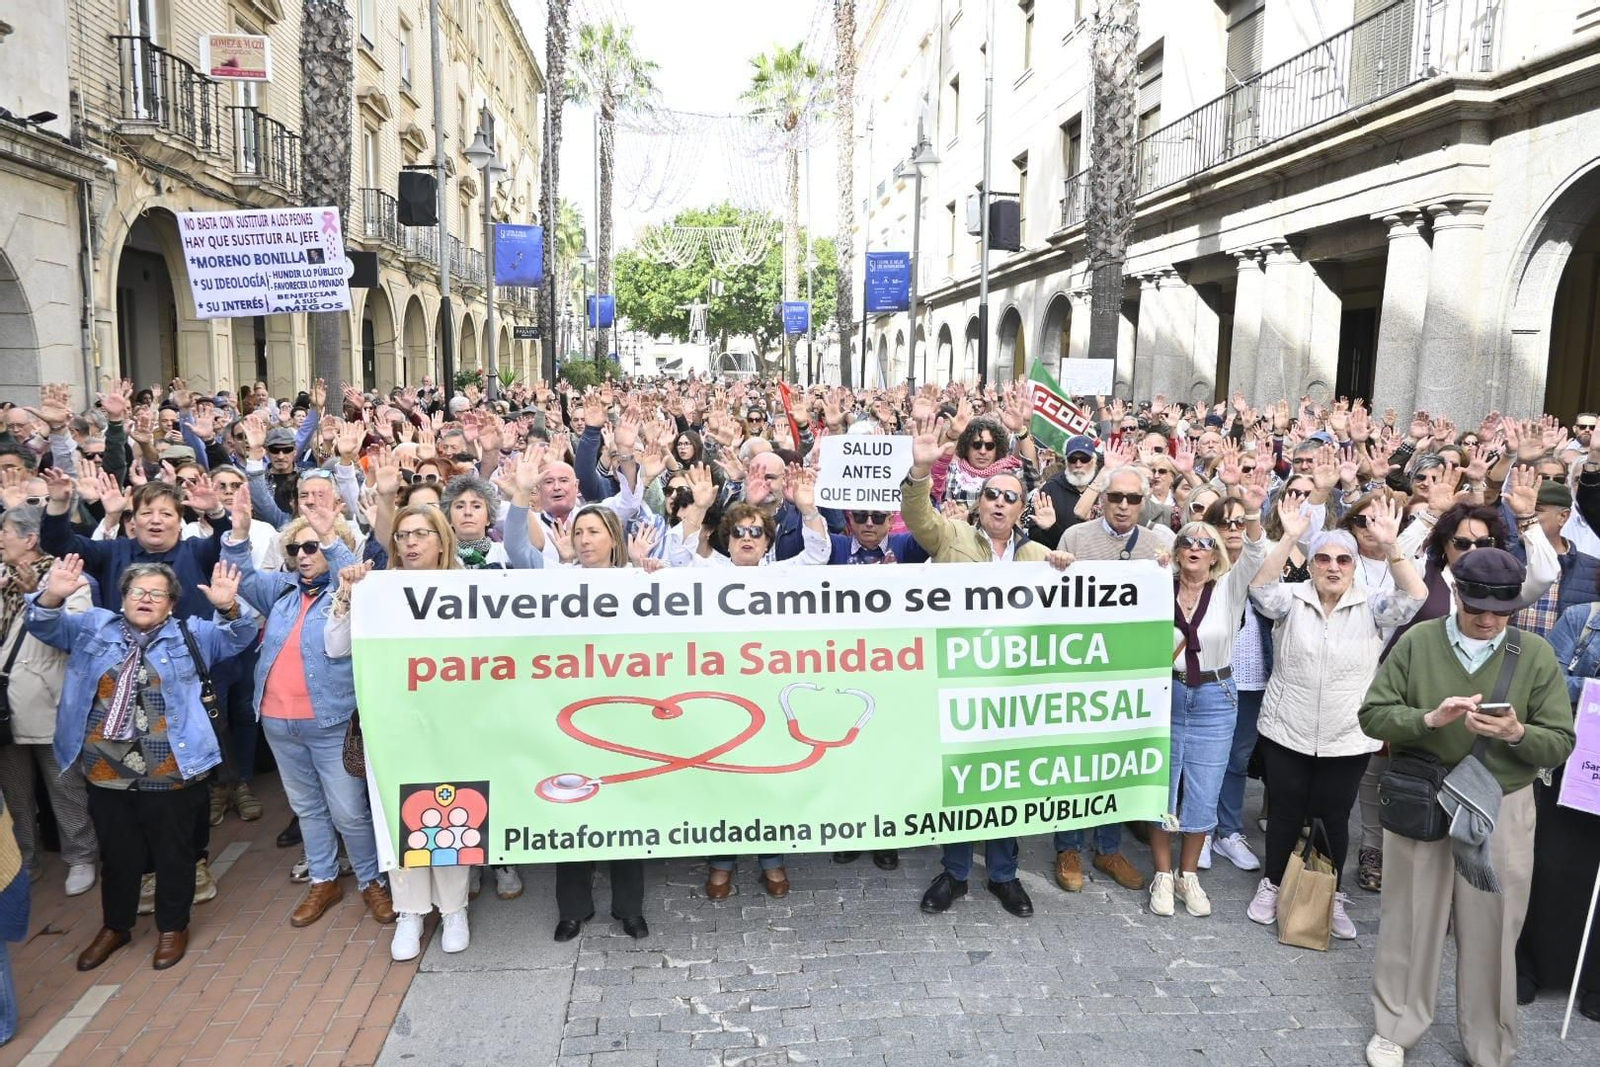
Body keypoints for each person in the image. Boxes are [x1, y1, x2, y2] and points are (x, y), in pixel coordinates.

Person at [1358, 548, 1576, 1067]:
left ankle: (1489, 1043)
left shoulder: (1536, 654)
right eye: (1476, 606)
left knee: (1494, 927)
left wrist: (1518, 732)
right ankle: (1396, 1025)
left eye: (1500, 611)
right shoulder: (1419, 640)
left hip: (1501, 803)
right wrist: (1428, 721)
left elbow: (1560, 741)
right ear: (1456, 592)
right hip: (1425, 798)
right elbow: (1372, 715)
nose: (1486, 620)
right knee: (1409, 916)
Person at [26, 556, 257, 972]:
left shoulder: (192, 633)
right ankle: (116, 925)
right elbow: (43, 625)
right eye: (138, 592)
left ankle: (173, 926)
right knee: (117, 854)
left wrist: (228, 607)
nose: (145, 599)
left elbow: (240, 636)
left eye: (157, 594)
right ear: (123, 597)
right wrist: (52, 595)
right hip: (104, 769)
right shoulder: (93, 626)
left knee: (175, 852)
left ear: (171, 603)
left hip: (173, 766)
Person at [902, 414, 1074, 918]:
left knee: (1005, 783)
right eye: (991, 495)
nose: (999, 502)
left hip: (1012, 690)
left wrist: (1066, 563)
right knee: (960, 781)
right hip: (957, 679)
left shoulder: (1037, 553)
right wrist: (919, 470)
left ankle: (1004, 874)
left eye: (1009, 497)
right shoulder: (952, 537)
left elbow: (1093, 594)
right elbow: (917, 518)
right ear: (979, 503)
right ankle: (955, 873)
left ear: (1022, 508)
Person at [1245, 497, 1425, 940]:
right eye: (1323, 558)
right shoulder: (1292, 599)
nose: (1332, 567)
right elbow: (1260, 588)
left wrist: (1392, 546)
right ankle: (1272, 884)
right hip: (1287, 726)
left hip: (1348, 733)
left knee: (1333, 814)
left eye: (1343, 559)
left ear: (1354, 565)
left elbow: (1415, 596)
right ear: (1310, 564)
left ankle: (1329, 894)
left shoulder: (1374, 606)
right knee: (1286, 811)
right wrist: (1289, 536)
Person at [221, 489, 395, 930]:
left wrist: (329, 537)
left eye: (311, 546)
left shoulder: (351, 589)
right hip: (278, 723)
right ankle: (324, 879)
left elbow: (348, 573)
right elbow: (240, 573)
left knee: (349, 812)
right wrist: (237, 535)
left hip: (330, 721)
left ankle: (371, 880)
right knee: (308, 808)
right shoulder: (280, 591)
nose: (302, 555)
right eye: (295, 548)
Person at [1151, 473, 1270, 920]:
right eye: (1188, 542)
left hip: (1216, 697)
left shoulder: (1229, 589)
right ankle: (1162, 875)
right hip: (1167, 694)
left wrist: (1253, 510)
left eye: (1205, 543)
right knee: (1161, 787)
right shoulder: (1156, 587)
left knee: (1203, 788)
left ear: (1215, 553)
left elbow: (1255, 550)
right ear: (1178, 552)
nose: (1197, 548)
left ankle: (1189, 875)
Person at [360, 504, 472, 961]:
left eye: (420, 534)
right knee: (399, 813)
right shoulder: (377, 591)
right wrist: (348, 598)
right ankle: (410, 911)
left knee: (451, 812)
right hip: (396, 723)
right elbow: (334, 645)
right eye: (403, 535)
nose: (410, 543)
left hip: (452, 722)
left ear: (441, 541)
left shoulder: (467, 590)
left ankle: (454, 909)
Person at [543, 503, 648, 941]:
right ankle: (573, 909)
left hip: (625, 712)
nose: (585, 540)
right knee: (572, 811)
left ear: (612, 538)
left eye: (594, 531)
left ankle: (629, 908)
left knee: (625, 812)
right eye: (579, 532)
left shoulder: (638, 582)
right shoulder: (553, 584)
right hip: (570, 712)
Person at [0, 508, 98, 897]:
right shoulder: (1, 582)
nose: (0, 538)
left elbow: (75, 635)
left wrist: (47, 597)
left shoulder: (68, 577)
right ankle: (25, 860)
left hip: (50, 703)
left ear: (29, 539)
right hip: (6, 710)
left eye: (4, 531)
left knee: (66, 787)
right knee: (16, 795)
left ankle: (81, 856)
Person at [1515, 597, 1600, 1020]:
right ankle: (1530, 965)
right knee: (1553, 862)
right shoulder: (1583, 619)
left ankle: (1595, 980)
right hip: (1577, 763)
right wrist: (1593, 688)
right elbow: (1545, 681)